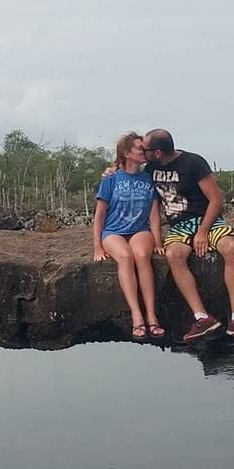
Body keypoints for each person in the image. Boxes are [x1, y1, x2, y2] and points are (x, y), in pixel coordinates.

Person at [140, 128, 234, 341]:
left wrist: (202, 231)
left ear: (157, 152)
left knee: (230, 248)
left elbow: (216, 199)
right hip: (179, 226)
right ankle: (202, 318)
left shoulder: (193, 163)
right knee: (173, 255)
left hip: (207, 221)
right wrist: (111, 171)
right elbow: (126, 169)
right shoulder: (150, 168)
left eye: (145, 149)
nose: (142, 151)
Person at [93, 132, 165, 341]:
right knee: (125, 257)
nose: (144, 152)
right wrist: (97, 247)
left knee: (142, 255)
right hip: (113, 231)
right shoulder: (111, 179)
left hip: (139, 230)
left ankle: (152, 315)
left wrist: (158, 242)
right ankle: (136, 316)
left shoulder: (148, 178)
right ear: (127, 153)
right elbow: (99, 216)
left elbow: (153, 214)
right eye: (139, 148)